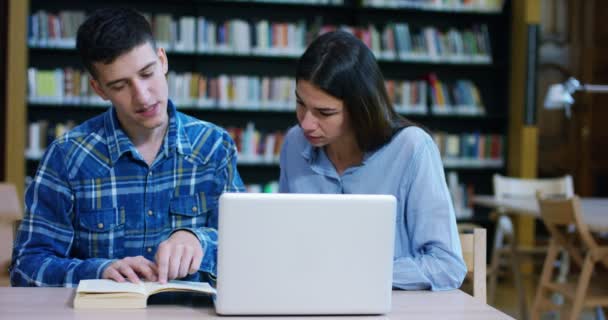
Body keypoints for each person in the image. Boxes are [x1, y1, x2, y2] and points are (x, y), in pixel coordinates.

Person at [10, 8, 245, 287]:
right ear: (99, 90)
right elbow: (26, 267)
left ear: (162, 60)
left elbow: (248, 249)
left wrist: (199, 240)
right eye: (120, 85)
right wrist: (98, 272)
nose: (143, 97)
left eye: (147, 73)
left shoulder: (214, 147)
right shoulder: (66, 156)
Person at [279, 31, 466, 290]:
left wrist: (356, 274)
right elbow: (285, 241)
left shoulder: (412, 149)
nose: (306, 123)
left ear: (360, 107)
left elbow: (447, 266)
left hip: (394, 307)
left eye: (325, 112)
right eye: (300, 103)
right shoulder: (293, 144)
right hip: (309, 299)